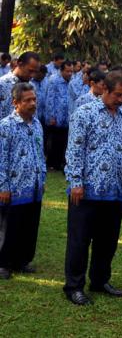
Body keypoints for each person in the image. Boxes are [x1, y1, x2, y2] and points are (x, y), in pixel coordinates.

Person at [63, 71, 122, 305]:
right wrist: (75, 182)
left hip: (114, 192)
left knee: (108, 241)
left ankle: (100, 280)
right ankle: (74, 285)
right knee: (79, 241)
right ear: (104, 88)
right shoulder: (85, 113)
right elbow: (74, 149)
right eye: (117, 95)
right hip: (86, 190)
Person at [0, 83, 46, 280]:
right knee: (9, 227)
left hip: (34, 186)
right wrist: (3, 187)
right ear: (15, 102)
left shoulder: (36, 124)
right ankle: (3, 263)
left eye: (34, 99)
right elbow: (1, 159)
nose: (32, 103)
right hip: (14, 187)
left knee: (29, 226)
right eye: (27, 100)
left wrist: (42, 178)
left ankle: (21, 260)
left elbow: (40, 153)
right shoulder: (6, 126)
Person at [45, 61, 74, 170]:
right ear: (61, 71)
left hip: (67, 117)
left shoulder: (71, 81)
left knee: (64, 141)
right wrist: (51, 116)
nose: (70, 73)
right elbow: (50, 100)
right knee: (54, 142)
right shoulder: (54, 80)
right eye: (67, 71)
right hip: (56, 118)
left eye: (71, 71)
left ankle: (61, 163)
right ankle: (52, 163)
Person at [0, 52, 40, 119]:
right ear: (19, 63)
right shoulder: (2, 84)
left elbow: (34, 114)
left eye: (35, 72)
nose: (32, 76)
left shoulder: (32, 86)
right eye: (30, 71)